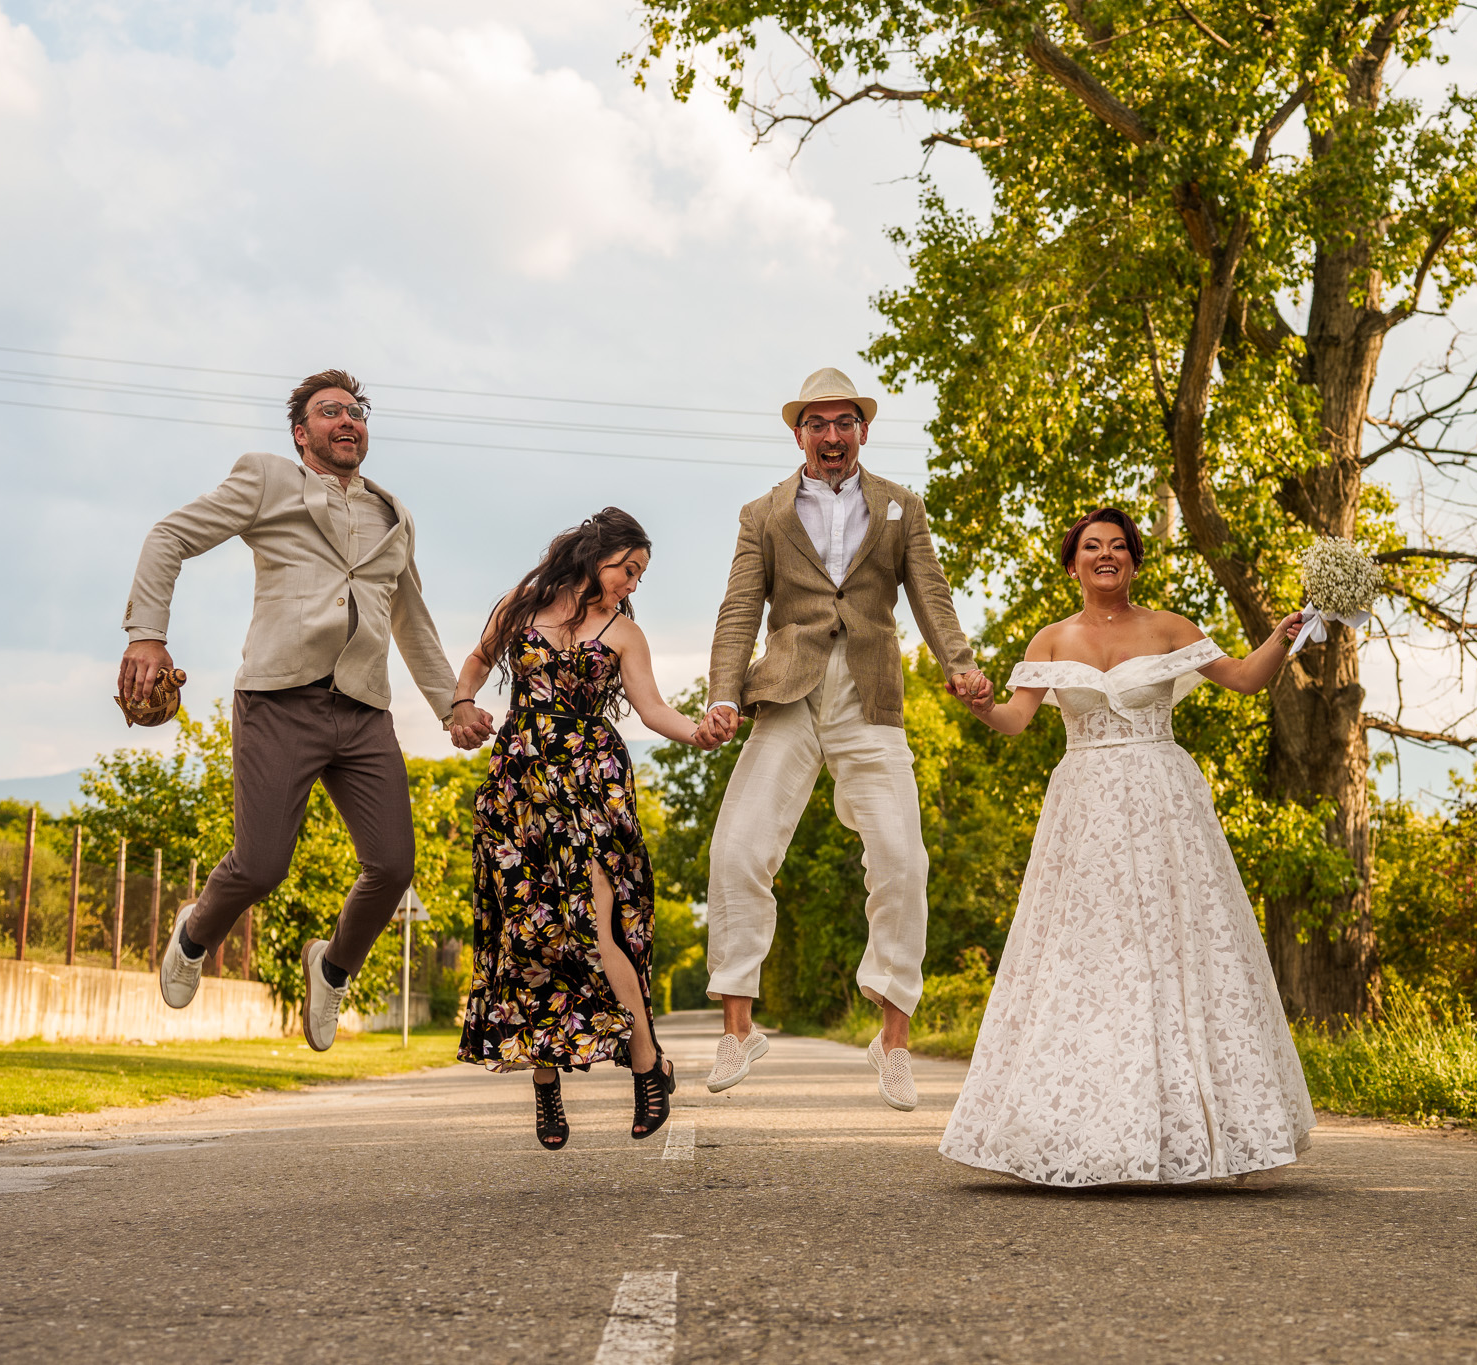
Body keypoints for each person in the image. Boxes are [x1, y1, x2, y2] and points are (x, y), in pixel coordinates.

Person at [940, 508, 1317, 1186]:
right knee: (1085, 954)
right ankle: (1080, 1131)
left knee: (1176, 948)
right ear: (1073, 563)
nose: (1106, 555)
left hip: (1163, 804)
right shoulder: (1051, 639)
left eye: (1118, 546)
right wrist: (979, 705)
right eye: (1092, 546)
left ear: (1135, 561)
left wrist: (1280, 637)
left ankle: (1194, 1131)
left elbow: (1243, 678)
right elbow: (1016, 720)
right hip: (1084, 811)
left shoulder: (1169, 627)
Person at [119, 369, 494, 1051]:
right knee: (261, 866)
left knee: (394, 866)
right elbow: (169, 536)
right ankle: (195, 934)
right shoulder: (267, 479)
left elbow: (411, 618)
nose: (348, 420)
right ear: (301, 433)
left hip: (364, 709)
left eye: (356, 412)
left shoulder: (394, 515)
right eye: (330, 411)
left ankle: (332, 967)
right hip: (279, 700)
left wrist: (454, 704)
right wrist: (147, 633)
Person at [692, 367, 989, 1111]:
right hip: (787, 693)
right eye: (818, 424)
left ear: (862, 430)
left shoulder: (900, 506)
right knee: (736, 849)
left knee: (902, 859)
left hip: (870, 695)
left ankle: (894, 1040)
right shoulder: (762, 514)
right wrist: (723, 695)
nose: (832, 436)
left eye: (844, 422)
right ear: (799, 435)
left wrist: (960, 664)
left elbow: (931, 594)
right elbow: (738, 609)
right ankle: (738, 1028)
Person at [447, 509, 708, 1150]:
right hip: (520, 783)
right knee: (531, 932)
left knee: (596, 919)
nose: (632, 584)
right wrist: (462, 703)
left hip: (593, 783)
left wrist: (699, 733)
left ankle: (647, 1064)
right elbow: (478, 661)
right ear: (596, 556)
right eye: (628, 569)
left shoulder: (624, 634)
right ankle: (545, 1085)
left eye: (640, 575)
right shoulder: (521, 604)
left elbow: (653, 709)